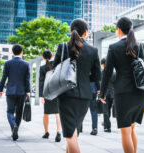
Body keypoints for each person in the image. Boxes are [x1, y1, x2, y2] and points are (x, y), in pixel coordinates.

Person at [100, 17, 144, 153]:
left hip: (123, 93)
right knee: (132, 127)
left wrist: (102, 93)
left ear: (118, 30)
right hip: (140, 93)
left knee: (125, 131)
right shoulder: (142, 46)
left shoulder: (114, 47)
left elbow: (107, 73)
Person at [53, 18, 101, 153]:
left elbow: (55, 70)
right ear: (86, 33)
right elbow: (97, 76)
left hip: (66, 95)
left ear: (70, 31)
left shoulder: (63, 47)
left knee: (70, 135)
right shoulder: (93, 50)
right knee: (73, 132)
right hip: (85, 96)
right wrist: (84, 79)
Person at [0, 44, 30, 141]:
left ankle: (13, 127)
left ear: (12, 52)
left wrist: (0, 89)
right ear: (22, 52)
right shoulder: (26, 64)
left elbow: (4, 77)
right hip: (21, 92)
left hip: (10, 91)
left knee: (10, 111)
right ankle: (16, 129)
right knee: (19, 112)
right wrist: (28, 91)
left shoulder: (8, 63)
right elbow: (27, 80)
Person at [39, 50, 62, 142]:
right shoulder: (57, 66)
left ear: (44, 58)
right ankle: (58, 131)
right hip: (57, 92)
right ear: (52, 57)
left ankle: (46, 132)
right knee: (57, 113)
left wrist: (41, 96)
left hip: (47, 92)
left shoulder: (42, 68)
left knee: (46, 113)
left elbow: (41, 82)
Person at [100, 58, 116, 133]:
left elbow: (101, 85)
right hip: (112, 94)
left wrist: (101, 95)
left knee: (105, 111)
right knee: (108, 110)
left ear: (103, 65)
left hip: (105, 94)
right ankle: (106, 123)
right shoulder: (113, 73)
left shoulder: (102, 73)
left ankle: (107, 127)